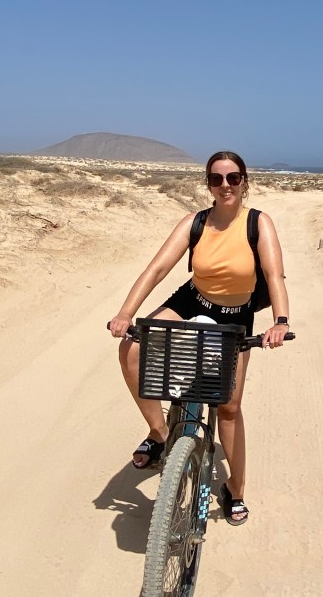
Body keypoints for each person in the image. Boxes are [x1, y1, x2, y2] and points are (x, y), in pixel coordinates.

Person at [107, 150, 291, 526]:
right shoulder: (195, 222)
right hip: (194, 299)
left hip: (237, 312)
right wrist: (126, 312)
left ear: (244, 182)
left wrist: (280, 321)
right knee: (132, 350)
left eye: (233, 178)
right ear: (207, 183)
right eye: (216, 178)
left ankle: (235, 489)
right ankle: (159, 435)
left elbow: (274, 276)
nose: (225, 185)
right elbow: (157, 268)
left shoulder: (258, 223)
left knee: (229, 406)